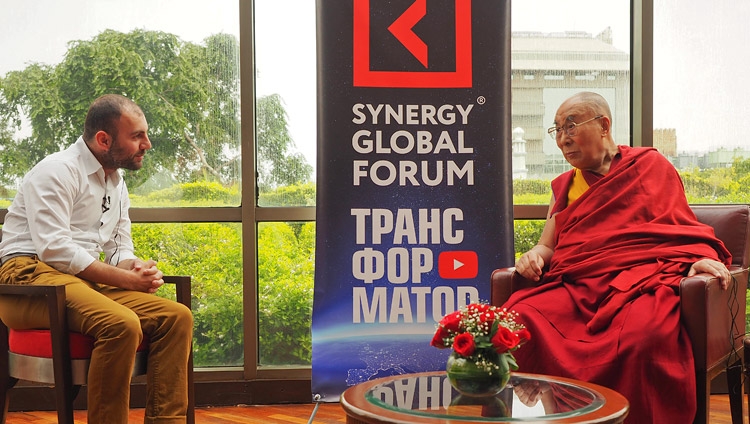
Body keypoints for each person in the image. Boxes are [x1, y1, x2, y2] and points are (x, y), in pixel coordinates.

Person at [507, 92, 731, 423]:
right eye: (556, 130)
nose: (562, 140)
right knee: (520, 314)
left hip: (641, 282)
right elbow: (548, 245)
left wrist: (694, 259)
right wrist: (534, 255)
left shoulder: (650, 166)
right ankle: (562, 415)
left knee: (646, 337)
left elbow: (678, 226)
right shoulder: (565, 186)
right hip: (579, 285)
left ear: (604, 125)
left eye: (570, 127)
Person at [0, 94, 193, 424]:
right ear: (104, 140)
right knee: (120, 323)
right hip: (28, 279)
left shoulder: (116, 183)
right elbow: (55, 250)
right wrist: (127, 280)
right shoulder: (56, 170)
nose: (147, 143)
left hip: (81, 282)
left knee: (176, 317)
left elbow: (118, 249)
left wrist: (136, 268)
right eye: (137, 136)